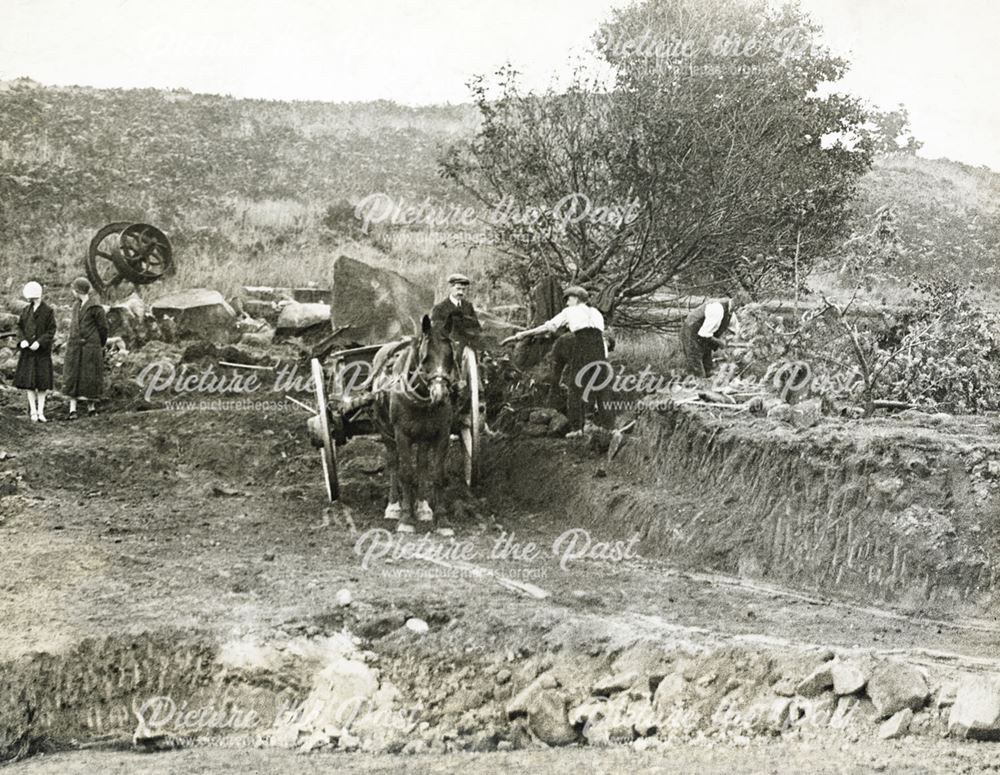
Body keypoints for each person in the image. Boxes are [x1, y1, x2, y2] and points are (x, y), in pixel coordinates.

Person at [503, 286, 610, 437]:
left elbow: (548, 327)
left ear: (575, 298)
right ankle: (589, 423)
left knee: (576, 385)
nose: (566, 303)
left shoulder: (569, 311)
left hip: (582, 343)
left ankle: (576, 429)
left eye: (568, 299)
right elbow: (599, 333)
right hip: (598, 346)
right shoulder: (596, 312)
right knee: (592, 385)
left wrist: (521, 335)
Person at [63, 276, 109, 419]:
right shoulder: (76, 306)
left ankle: (91, 407)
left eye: (73, 289)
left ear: (78, 291)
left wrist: (98, 344)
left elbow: (103, 328)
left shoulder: (96, 307)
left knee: (90, 377)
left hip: (91, 347)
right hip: (75, 346)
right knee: (73, 376)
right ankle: (72, 409)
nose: (72, 292)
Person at [14, 281, 56, 422]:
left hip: (41, 353)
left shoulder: (48, 311)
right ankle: (32, 411)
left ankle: (41, 411)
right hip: (28, 353)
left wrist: (39, 342)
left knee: (42, 384)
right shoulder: (26, 310)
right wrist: (22, 340)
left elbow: (51, 331)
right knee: (30, 384)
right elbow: (19, 328)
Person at [679, 293, 744, 379]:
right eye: (742, 308)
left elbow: (738, 331)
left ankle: (704, 386)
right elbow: (704, 334)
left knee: (708, 368)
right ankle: (694, 386)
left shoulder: (731, 314)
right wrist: (720, 342)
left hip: (704, 336)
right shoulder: (717, 309)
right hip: (692, 333)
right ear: (737, 303)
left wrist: (742, 344)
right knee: (697, 370)